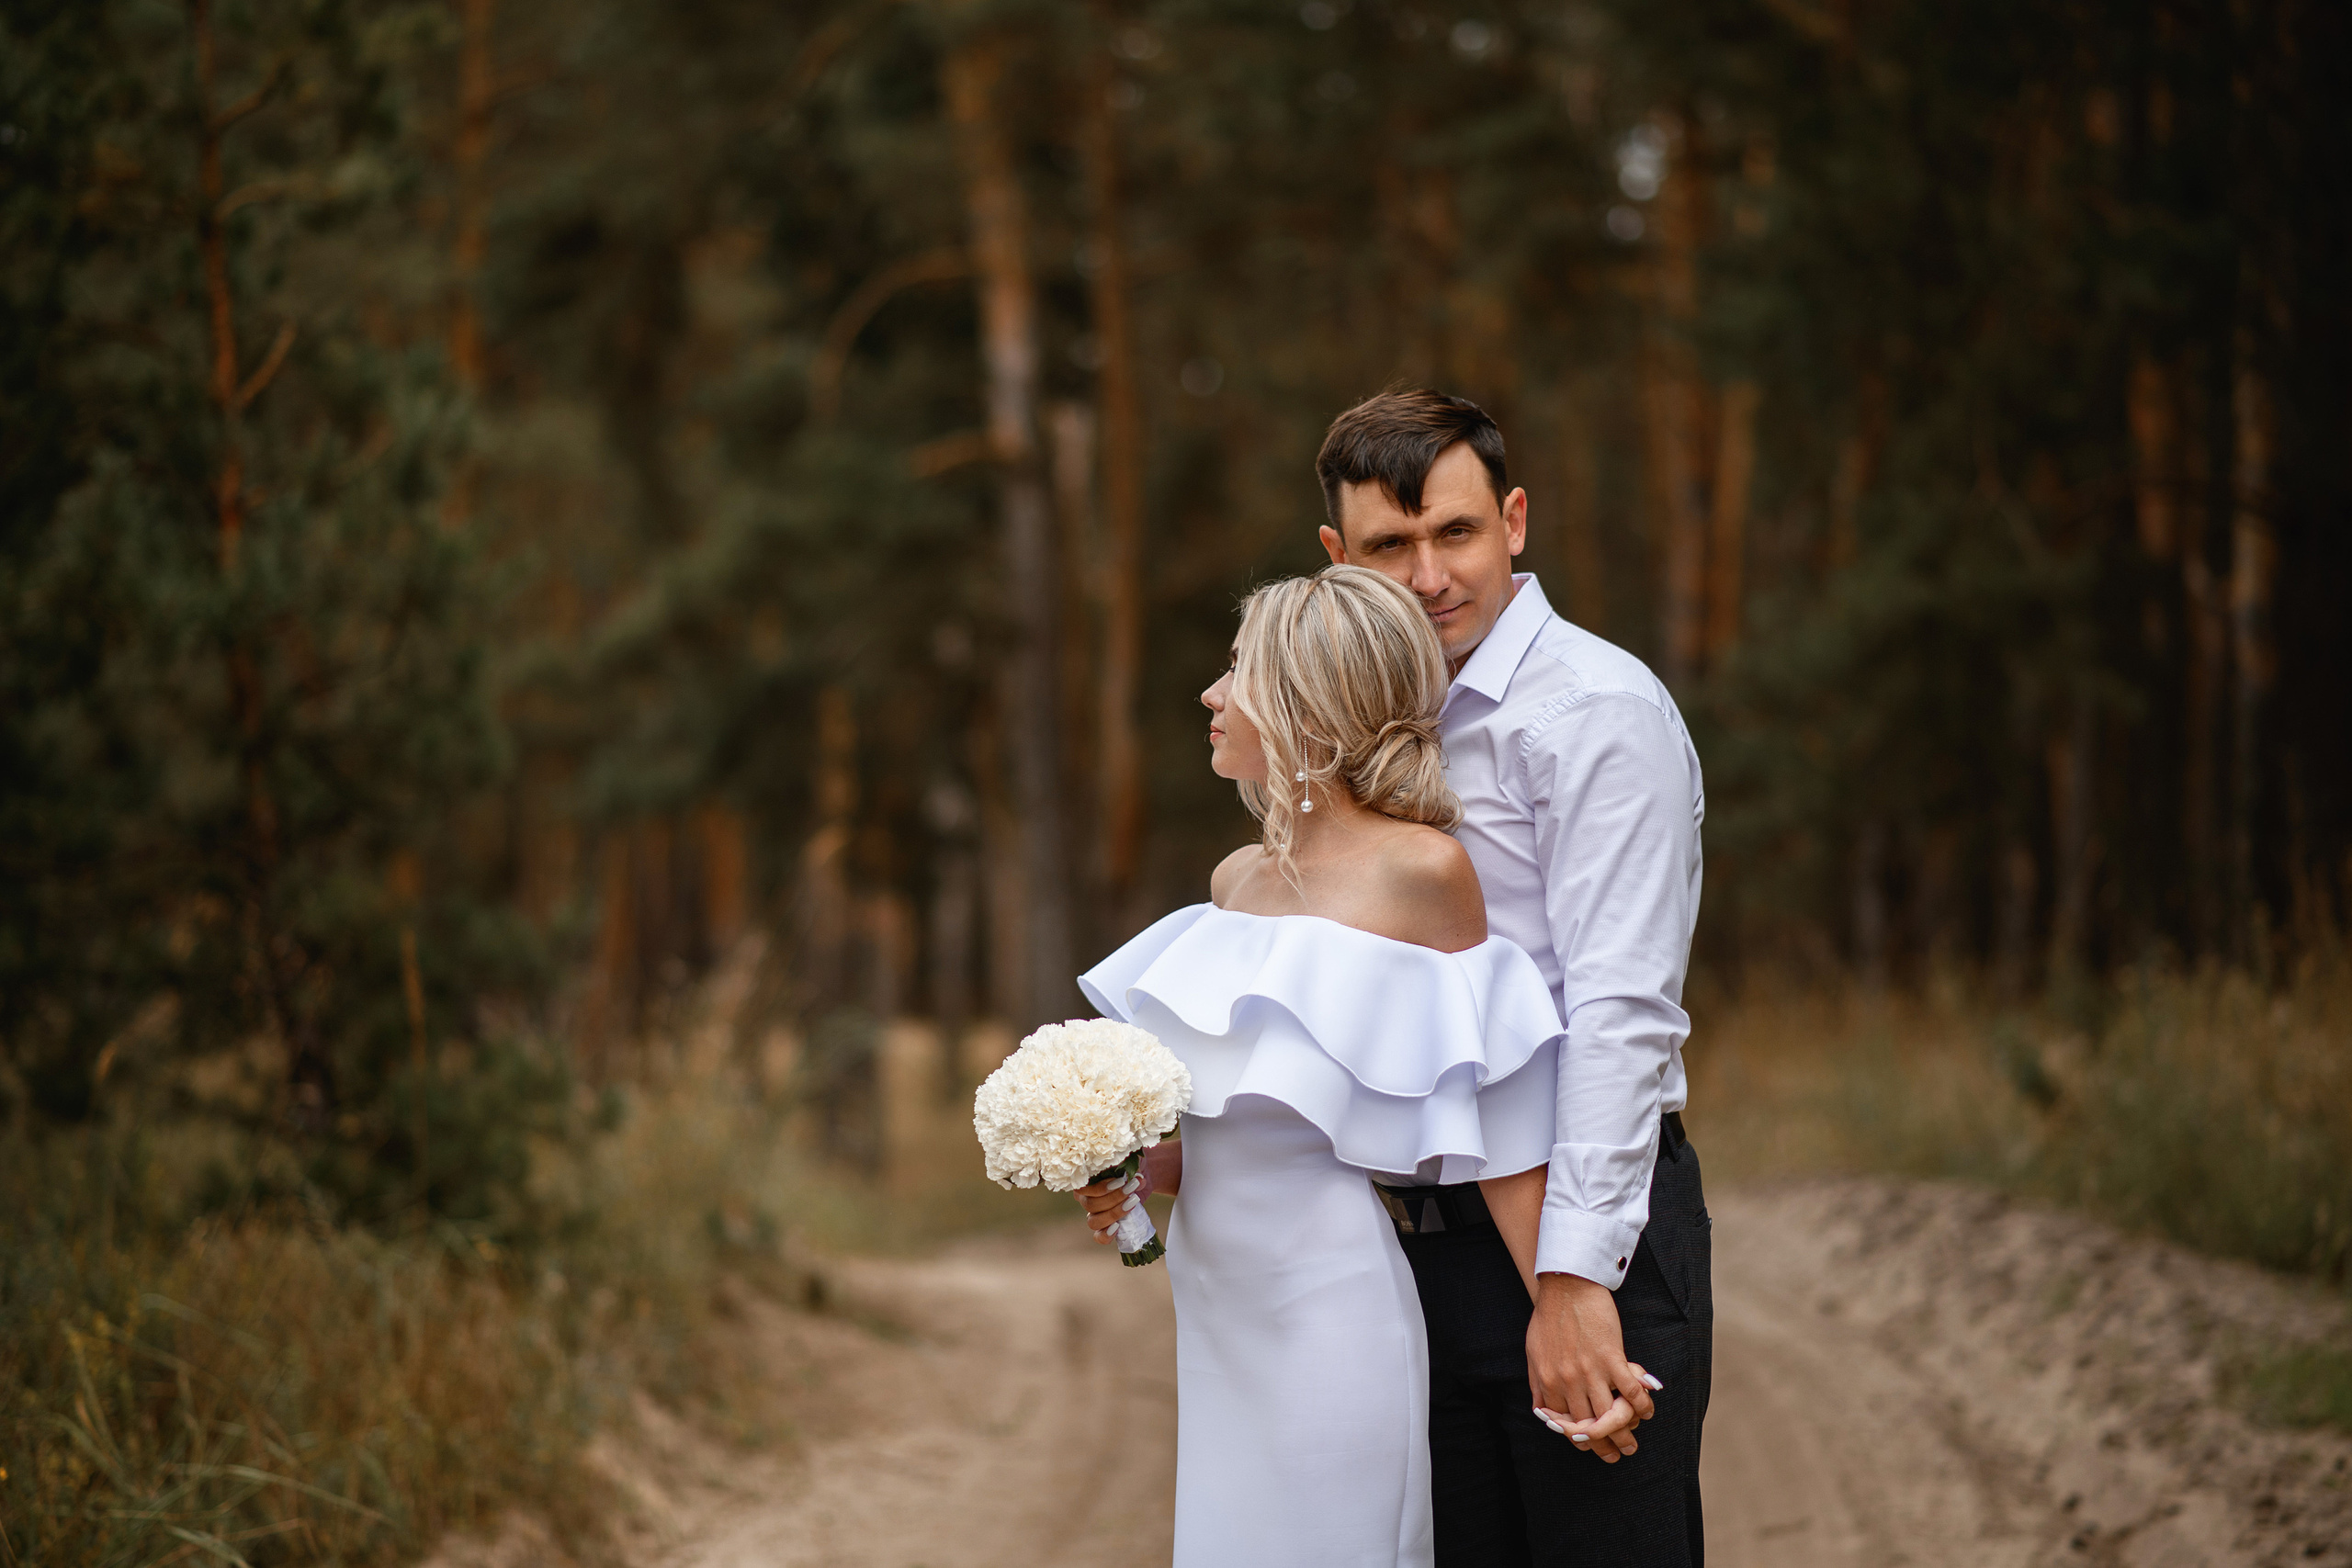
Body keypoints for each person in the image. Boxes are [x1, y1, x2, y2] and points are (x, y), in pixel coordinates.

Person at [1091, 390, 1712, 1567]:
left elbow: (1619, 1018)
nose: (1429, 576)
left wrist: (1574, 1283)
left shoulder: (1596, 714)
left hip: (1575, 1218)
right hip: (1397, 1247)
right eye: (1391, 546)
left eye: (1458, 534)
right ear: (1340, 556)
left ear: (1515, 520)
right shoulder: (1338, 751)